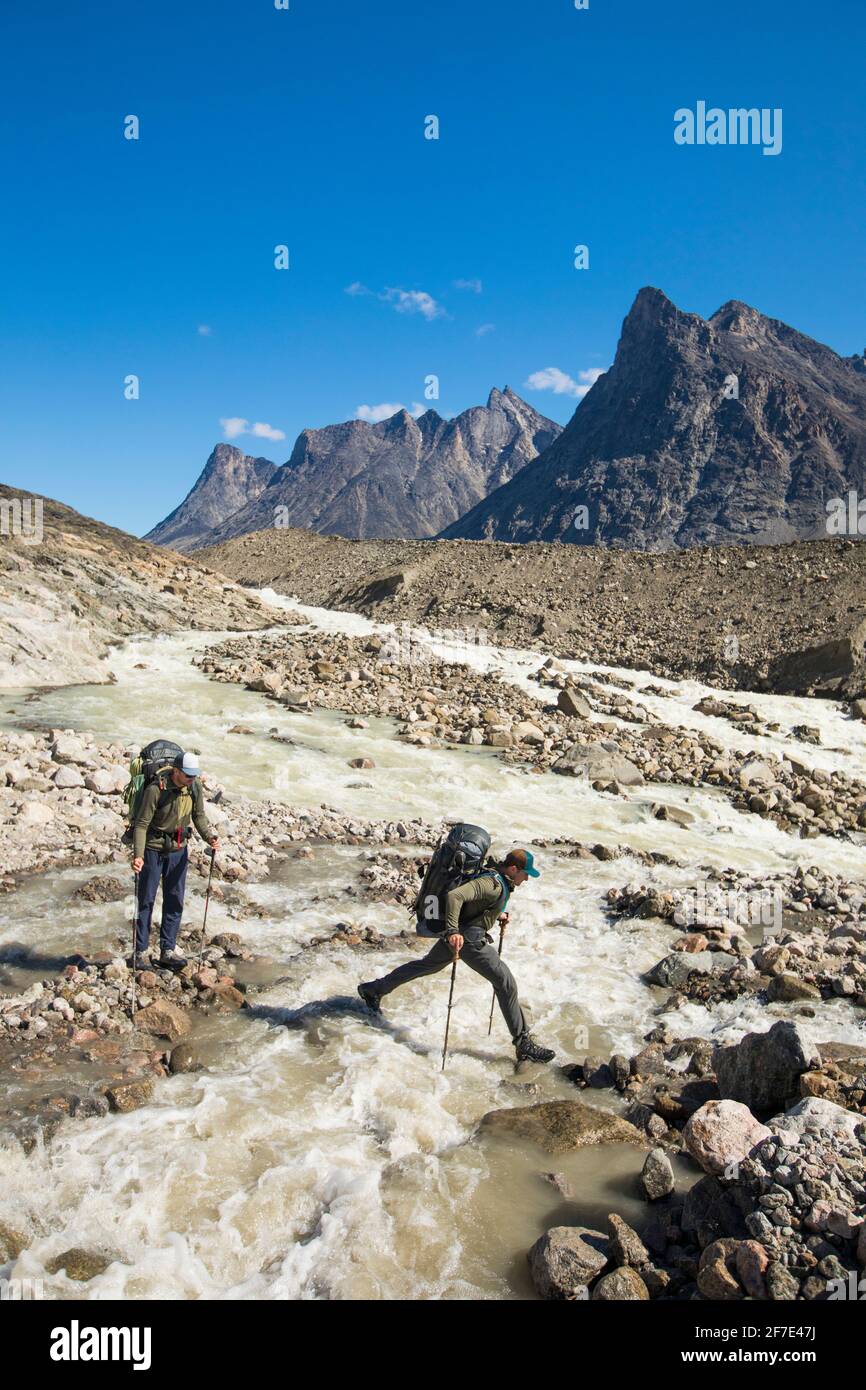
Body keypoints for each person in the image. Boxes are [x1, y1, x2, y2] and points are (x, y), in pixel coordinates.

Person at [358, 848, 555, 1063]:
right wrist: (452, 932)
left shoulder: (497, 881)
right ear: (513, 869)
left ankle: (373, 989)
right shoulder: (492, 884)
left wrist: (498, 914)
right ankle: (523, 1043)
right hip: (468, 942)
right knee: (505, 982)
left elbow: (475, 906)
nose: (526, 879)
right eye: (525, 874)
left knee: (427, 965)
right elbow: (455, 896)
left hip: (463, 936)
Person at [131, 750, 219, 969]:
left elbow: (198, 816)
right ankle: (140, 952)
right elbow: (141, 824)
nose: (191, 779)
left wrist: (209, 838)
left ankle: (167, 950)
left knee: (174, 900)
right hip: (153, 849)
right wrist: (139, 856)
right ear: (176, 772)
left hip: (179, 849)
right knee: (146, 901)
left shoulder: (194, 787)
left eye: (194, 775)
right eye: (188, 775)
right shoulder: (156, 789)